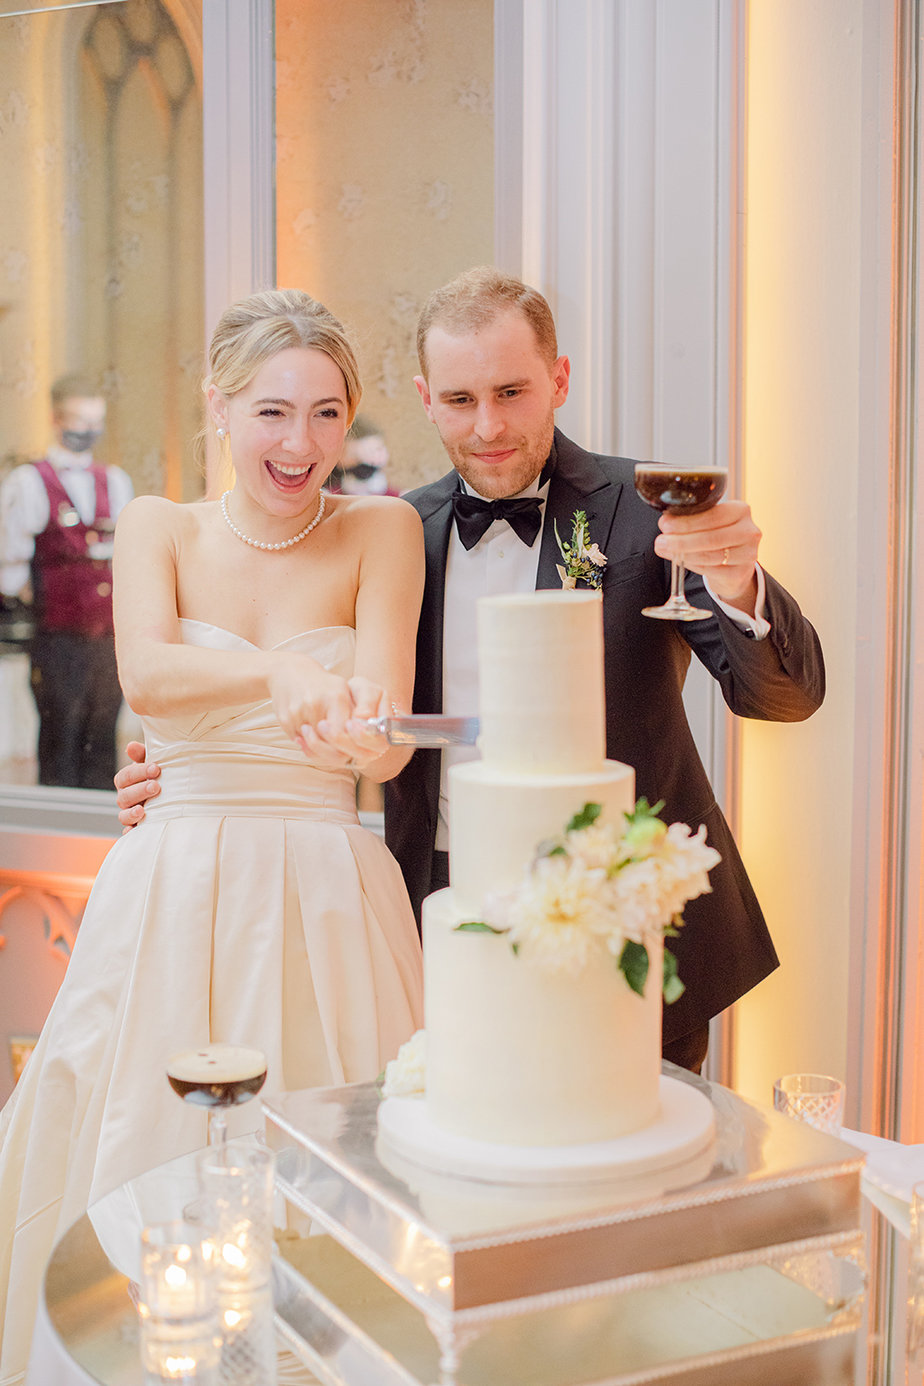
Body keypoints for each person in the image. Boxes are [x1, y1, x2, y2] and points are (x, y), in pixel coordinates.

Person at [116, 266, 825, 1076]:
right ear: (425, 399)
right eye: (459, 400)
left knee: (625, 1179)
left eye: (512, 392)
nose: (487, 425)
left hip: (619, 908)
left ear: (558, 379)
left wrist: (736, 582)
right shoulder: (393, 534)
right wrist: (177, 767)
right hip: (436, 915)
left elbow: (786, 697)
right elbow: (333, 712)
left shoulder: (645, 513)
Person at [0, 289, 424, 1383]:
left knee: (336, 1170)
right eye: (274, 411)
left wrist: (356, 733)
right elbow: (147, 673)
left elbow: (381, 747)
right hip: (174, 875)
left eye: (328, 413)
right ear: (219, 407)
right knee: (143, 1142)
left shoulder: (384, 530)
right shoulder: (160, 526)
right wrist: (279, 671)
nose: (302, 442)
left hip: (330, 877)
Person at [0, 374, 134, 789]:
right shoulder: (29, 482)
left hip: (108, 639)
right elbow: (11, 567)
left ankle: (103, 839)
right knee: (61, 733)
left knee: (102, 733)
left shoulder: (114, 480)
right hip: (57, 638)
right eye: (80, 419)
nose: (88, 430)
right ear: (57, 420)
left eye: (96, 420)